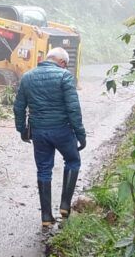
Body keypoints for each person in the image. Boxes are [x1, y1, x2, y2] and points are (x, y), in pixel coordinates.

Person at [13, 47, 86, 226]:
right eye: (65, 65)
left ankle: (46, 216)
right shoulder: (64, 76)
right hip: (62, 130)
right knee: (73, 161)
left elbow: (18, 107)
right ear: (62, 62)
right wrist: (80, 134)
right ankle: (65, 205)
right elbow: (73, 109)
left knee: (44, 170)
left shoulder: (27, 77)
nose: (65, 67)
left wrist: (22, 130)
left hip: (39, 132)